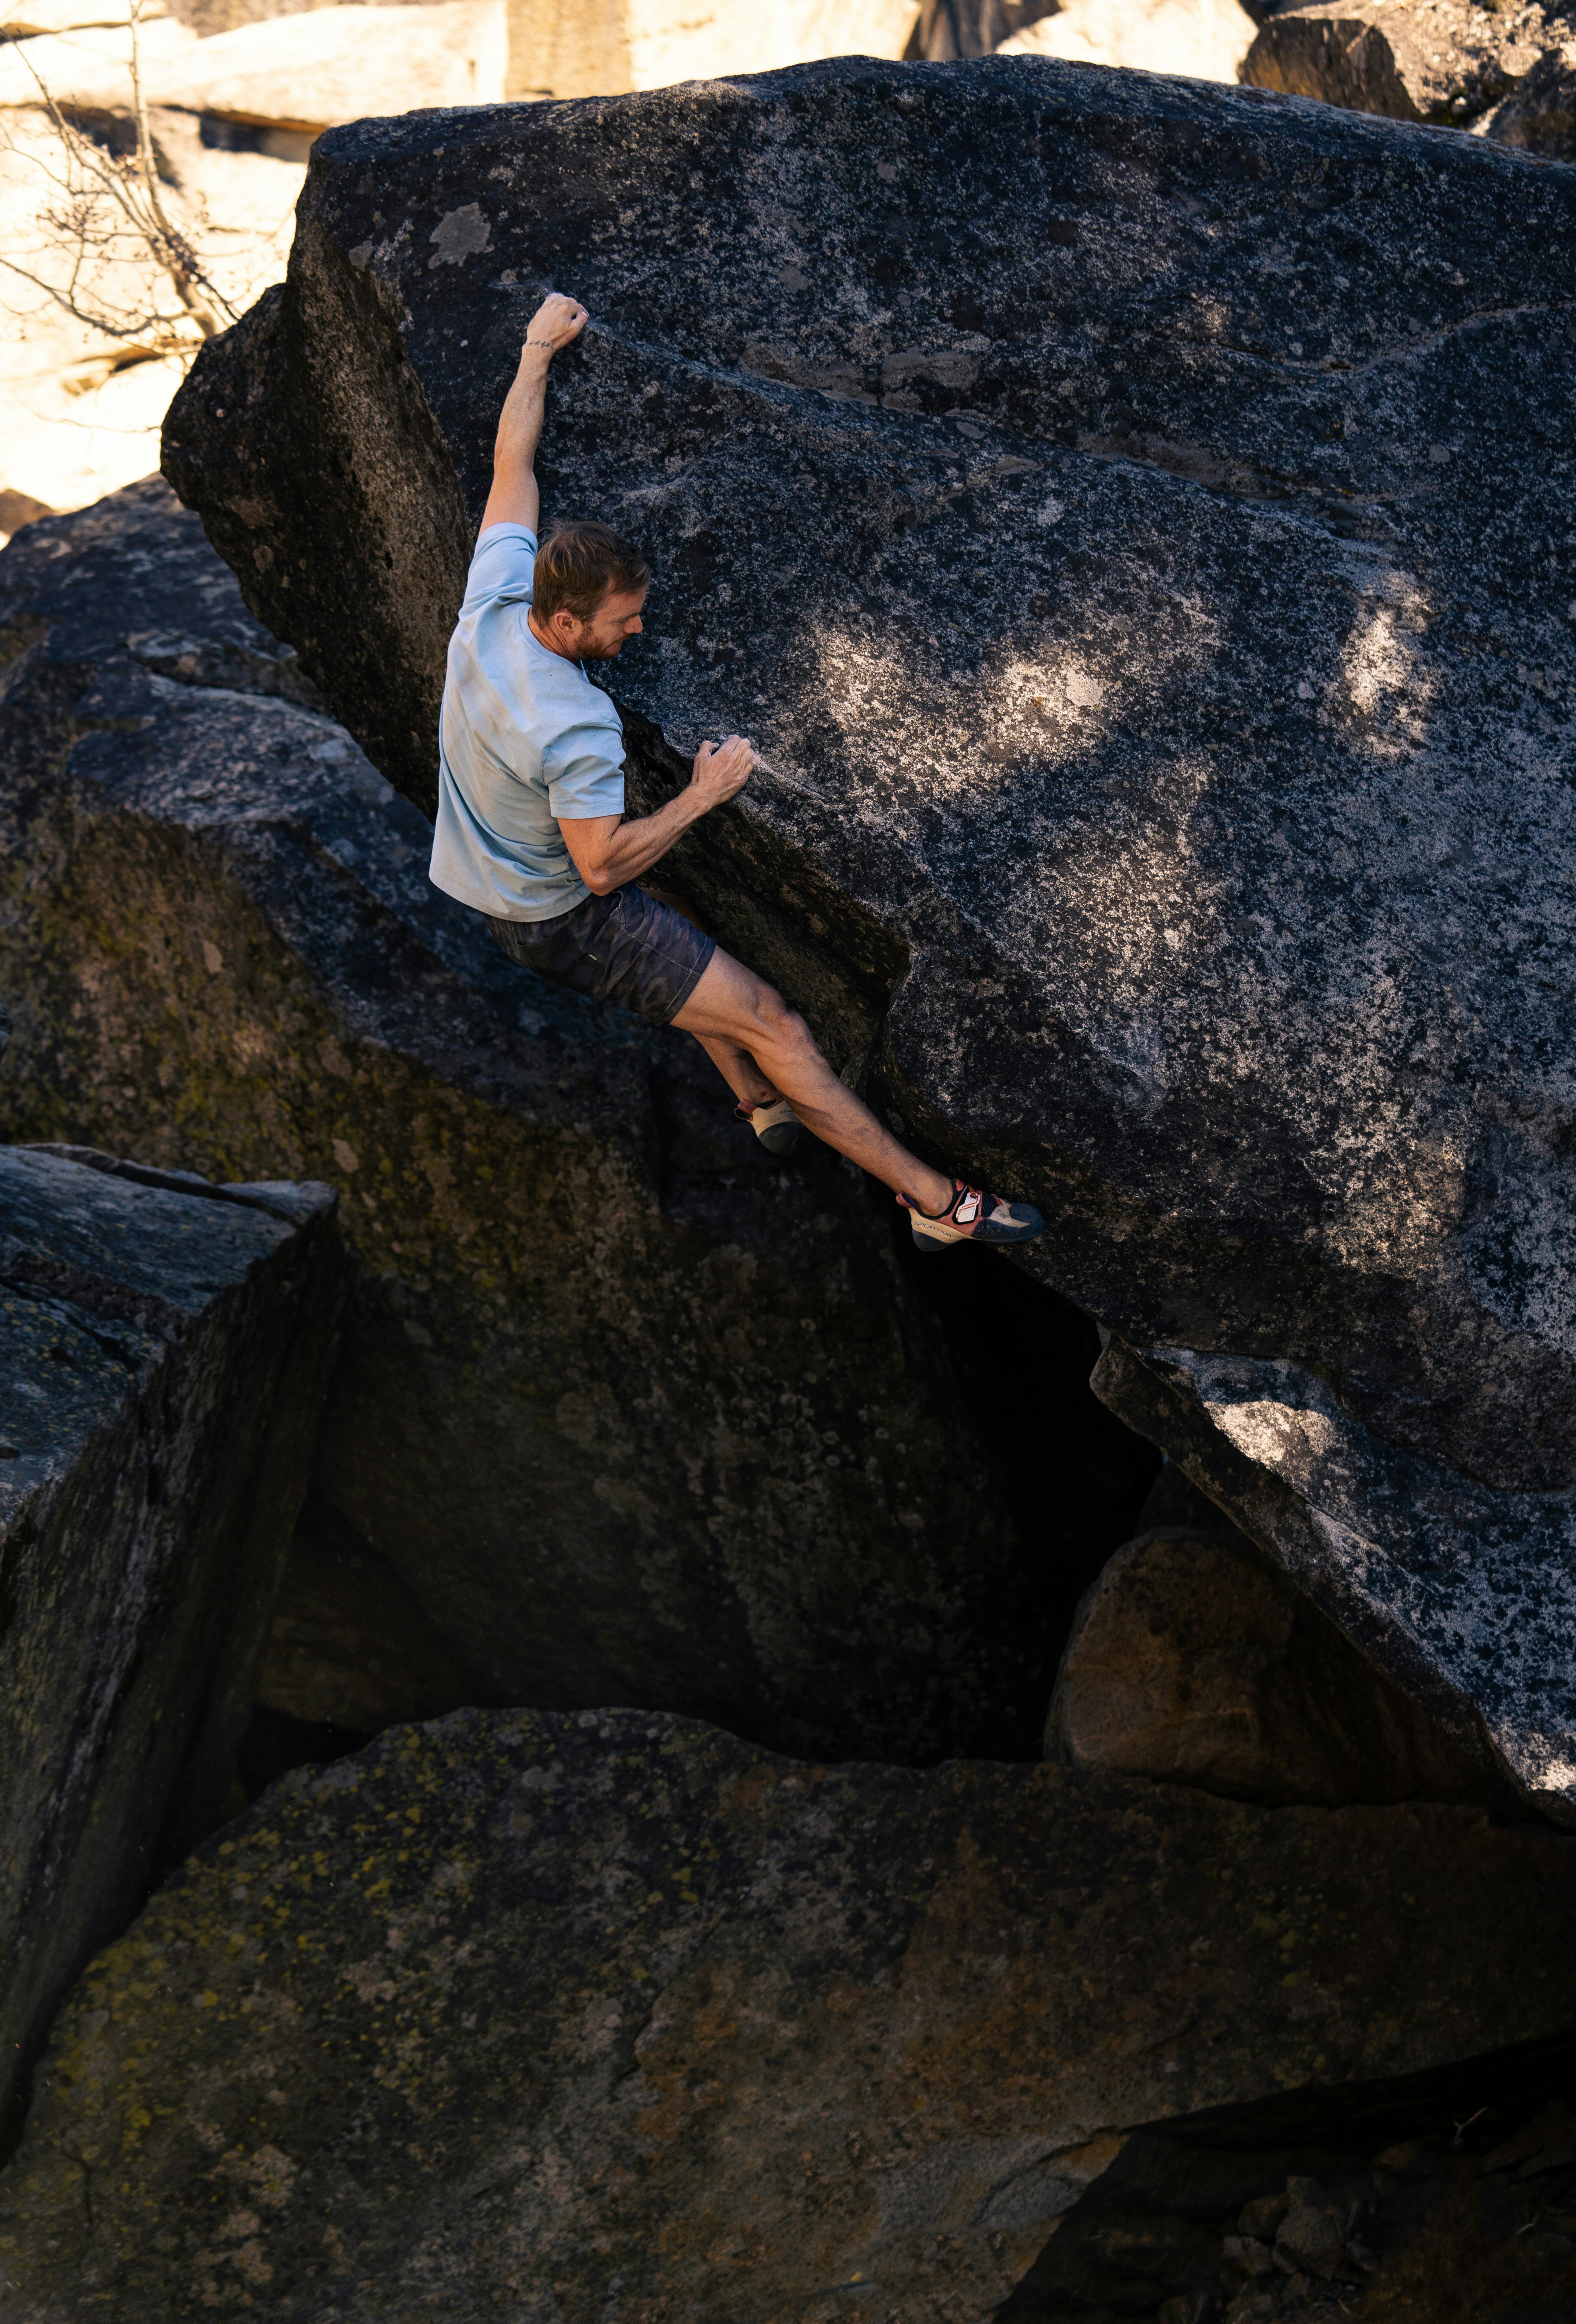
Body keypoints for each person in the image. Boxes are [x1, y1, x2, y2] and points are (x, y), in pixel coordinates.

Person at [427, 292, 1046, 1255]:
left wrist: (534, 350)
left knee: (681, 924)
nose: (636, 632)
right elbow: (600, 872)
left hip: (496, 884)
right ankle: (938, 1206)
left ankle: (755, 1102)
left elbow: (515, 463)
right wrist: (702, 795)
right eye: (621, 623)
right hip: (565, 918)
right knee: (775, 1018)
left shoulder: (494, 598)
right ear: (565, 625)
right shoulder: (576, 723)